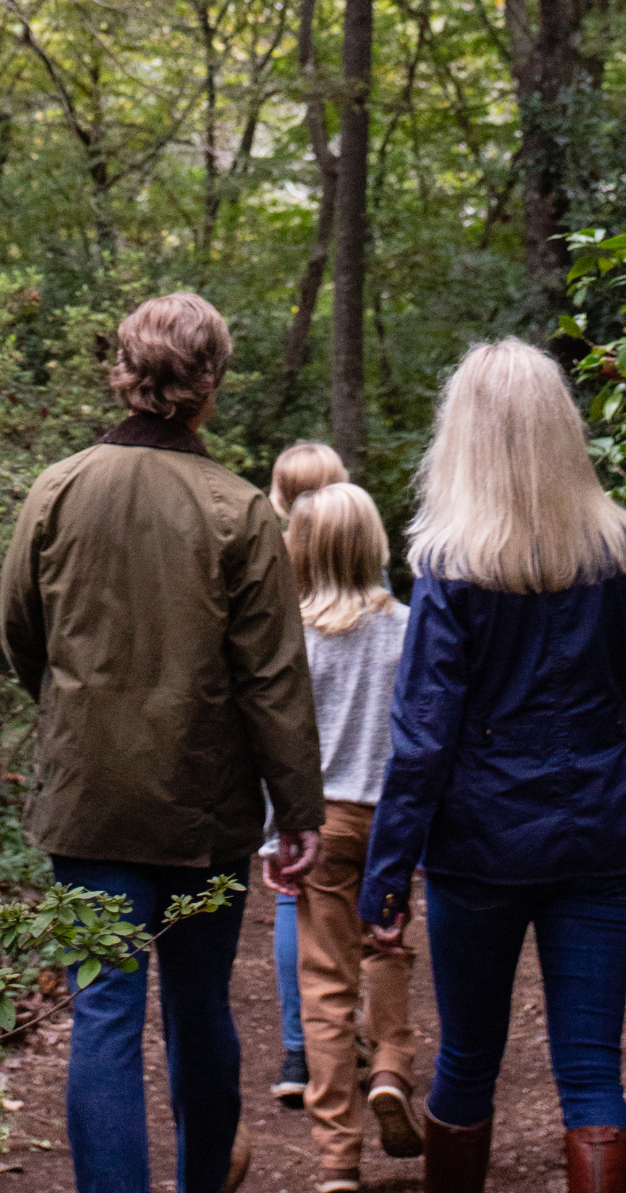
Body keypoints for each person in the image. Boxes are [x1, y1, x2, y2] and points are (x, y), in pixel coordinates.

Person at [358, 339, 626, 1193]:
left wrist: (389, 866)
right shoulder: (622, 549)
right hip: (601, 834)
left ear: (463, 435)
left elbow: (422, 734)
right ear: (561, 430)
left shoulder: (452, 562)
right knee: (590, 1070)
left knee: (468, 1051)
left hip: (481, 841)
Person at [0, 292, 325, 1193]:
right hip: (205, 805)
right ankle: (198, 1186)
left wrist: (74, 718)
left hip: (90, 800)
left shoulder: (58, 488)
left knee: (102, 1018)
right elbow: (273, 677)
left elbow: (20, 631)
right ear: (210, 382)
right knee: (196, 1006)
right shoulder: (238, 510)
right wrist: (299, 807)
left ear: (120, 374)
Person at [262, 482, 422, 1193]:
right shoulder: (410, 628)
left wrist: (274, 836)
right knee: (386, 944)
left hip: (319, 818)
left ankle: (338, 1154)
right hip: (390, 817)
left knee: (325, 982)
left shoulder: (291, 637)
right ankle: (390, 1069)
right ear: (374, 545)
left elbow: (278, 743)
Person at [261, 440, 351, 1107]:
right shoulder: (369, 596)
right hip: (364, 794)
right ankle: (363, 1043)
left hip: (294, 780)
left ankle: (301, 1051)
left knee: (294, 901)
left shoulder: (270, 583)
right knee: (366, 915)